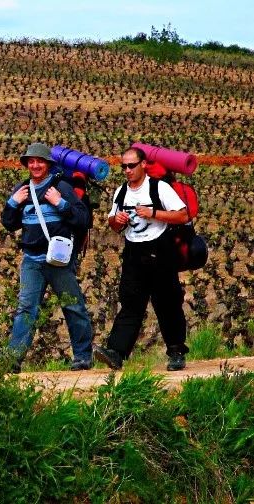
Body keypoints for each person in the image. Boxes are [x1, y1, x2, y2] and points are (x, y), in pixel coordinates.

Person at [93, 146, 190, 372]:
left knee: (167, 302)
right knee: (130, 303)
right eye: (124, 166)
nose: (127, 170)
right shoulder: (121, 192)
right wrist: (117, 220)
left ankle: (176, 351)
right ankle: (116, 353)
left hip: (160, 249)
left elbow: (183, 215)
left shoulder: (159, 187)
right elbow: (113, 225)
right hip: (133, 252)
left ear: (143, 164)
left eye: (131, 165)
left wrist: (153, 213)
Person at [1, 142, 93, 372]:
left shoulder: (61, 187)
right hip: (31, 260)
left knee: (72, 306)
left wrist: (60, 203)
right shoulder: (22, 189)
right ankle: (13, 360)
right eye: (31, 161)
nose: (35, 165)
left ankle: (83, 357)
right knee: (26, 309)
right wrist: (12, 203)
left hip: (58, 260)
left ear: (48, 164)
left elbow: (83, 219)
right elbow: (9, 224)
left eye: (40, 161)